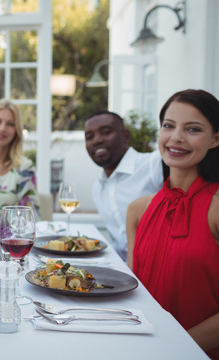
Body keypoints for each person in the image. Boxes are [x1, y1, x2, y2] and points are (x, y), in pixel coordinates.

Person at [127, 89, 219, 359]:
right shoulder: (138, 210)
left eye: (193, 129)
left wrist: (174, 350)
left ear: (215, 138)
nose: (176, 137)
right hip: (142, 349)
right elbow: (134, 291)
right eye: (169, 126)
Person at [84, 111, 163, 261]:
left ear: (126, 136)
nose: (97, 140)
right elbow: (120, 244)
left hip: (159, 266)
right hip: (125, 270)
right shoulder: (98, 188)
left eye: (106, 132)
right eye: (89, 137)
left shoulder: (154, 164)